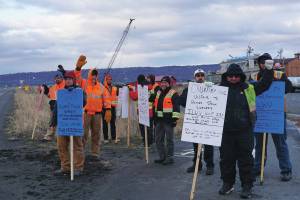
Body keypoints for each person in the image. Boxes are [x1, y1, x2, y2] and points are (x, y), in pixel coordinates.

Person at [218, 60, 273, 198]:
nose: (233, 78)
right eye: (230, 76)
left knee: (246, 161)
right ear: (226, 76)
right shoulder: (218, 90)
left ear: (241, 76)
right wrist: (205, 89)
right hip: (225, 133)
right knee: (226, 160)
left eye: (236, 76)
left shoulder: (249, 88)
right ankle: (227, 184)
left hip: (245, 131)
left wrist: (268, 70)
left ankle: (247, 186)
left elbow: (265, 84)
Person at [253, 53, 293, 181]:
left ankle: (286, 170)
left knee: (280, 143)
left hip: (276, 114)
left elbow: (289, 88)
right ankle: (258, 168)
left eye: (268, 62)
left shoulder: (279, 74)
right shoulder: (254, 76)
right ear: (260, 64)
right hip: (260, 114)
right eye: (263, 62)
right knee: (259, 144)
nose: (265, 64)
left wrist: (279, 83)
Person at [179, 69, 215, 175]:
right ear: (195, 77)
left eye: (202, 75)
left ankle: (210, 166)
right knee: (196, 146)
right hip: (195, 120)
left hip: (208, 120)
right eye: (198, 75)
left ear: (205, 77)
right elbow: (182, 102)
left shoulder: (211, 87)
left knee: (208, 145)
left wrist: (212, 89)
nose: (200, 77)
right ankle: (197, 165)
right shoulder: (189, 89)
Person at [52, 70, 86, 176]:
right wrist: (53, 121)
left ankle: (78, 168)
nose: (68, 81)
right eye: (66, 79)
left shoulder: (79, 91)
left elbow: (84, 102)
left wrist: (77, 92)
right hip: (63, 124)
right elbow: (57, 108)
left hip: (75, 123)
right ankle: (65, 167)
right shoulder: (61, 93)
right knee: (61, 146)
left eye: (70, 79)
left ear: (73, 80)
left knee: (77, 146)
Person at [81, 68, 111, 157]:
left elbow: (107, 98)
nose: (94, 76)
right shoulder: (84, 84)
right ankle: (80, 152)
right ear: (89, 75)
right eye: (92, 74)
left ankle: (95, 153)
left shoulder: (101, 87)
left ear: (97, 76)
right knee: (83, 134)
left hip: (97, 114)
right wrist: (78, 68)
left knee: (96, 134)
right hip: (86, 113)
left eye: (95, 75)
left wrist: (108, 109)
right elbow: (77, 77)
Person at [153, 76, 180, 165]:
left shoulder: (173, 93)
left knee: (169, 140)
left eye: (165, 82)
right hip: (159, 121)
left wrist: (174, 119)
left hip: (168, 121)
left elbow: (176, 107)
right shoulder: (158, 92)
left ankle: (169, 158)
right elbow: (154, 105)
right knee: (158, 139)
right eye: (162, 82)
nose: (163, 84)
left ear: (169, 83)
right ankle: (162, 157)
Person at [129, 74, 154, 147]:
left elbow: (134, 97)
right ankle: (150, 143)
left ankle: (146, 143)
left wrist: (130, 90)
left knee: (143, 129)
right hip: (150, 112)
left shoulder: (141, 88)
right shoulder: (150, 87)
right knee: (149, 128)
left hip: (142, 112)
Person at [40, 73, 65, 141]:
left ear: (62, 78)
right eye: (56, 78)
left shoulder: (66, 86)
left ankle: (61, 137)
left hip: (63, 108)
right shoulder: (53, 87)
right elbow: (49, 95)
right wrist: (44, 90)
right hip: (53, 107)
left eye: (59, 78)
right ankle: (48, 136)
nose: (57, 79)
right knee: (52, 122)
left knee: (62, 123)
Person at [102, 74, 119, 144]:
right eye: (108, 79)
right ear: (105, 80)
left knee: (112, 123)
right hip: (105, 108)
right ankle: (105, 139)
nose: (109, 80)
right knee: (105, 124)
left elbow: (117, 94)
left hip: (112, 107)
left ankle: (113, 138)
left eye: (110, 79)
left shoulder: (114, 88)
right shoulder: (102, 88)